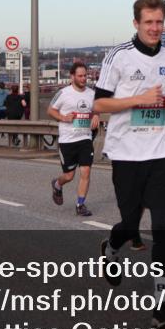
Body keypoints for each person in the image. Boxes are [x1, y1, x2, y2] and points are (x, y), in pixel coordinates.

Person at [94, 0, 165, 329]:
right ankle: (112, 249)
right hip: (126, 153)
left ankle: (161, 305)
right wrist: (138, 100)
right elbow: (100, 106)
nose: (155, 28)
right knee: (130, 225)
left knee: (161, 227)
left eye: (159, 22)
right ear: (136, 23)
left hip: (160, 151)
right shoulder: (117, 57)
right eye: (148, 22)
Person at [48, 63, 99, 216]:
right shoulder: (63, 93)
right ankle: (57, 184)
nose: (84, 79)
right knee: (69, 176)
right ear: (72, 77)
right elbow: (50, 110)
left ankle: (80, 204)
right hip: (67, 140)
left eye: (85, 76)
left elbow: (97, 108)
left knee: (86, 171)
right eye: (80, 76)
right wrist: (63, 117)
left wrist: (96, 115)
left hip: (85, 138)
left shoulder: (91, 93)